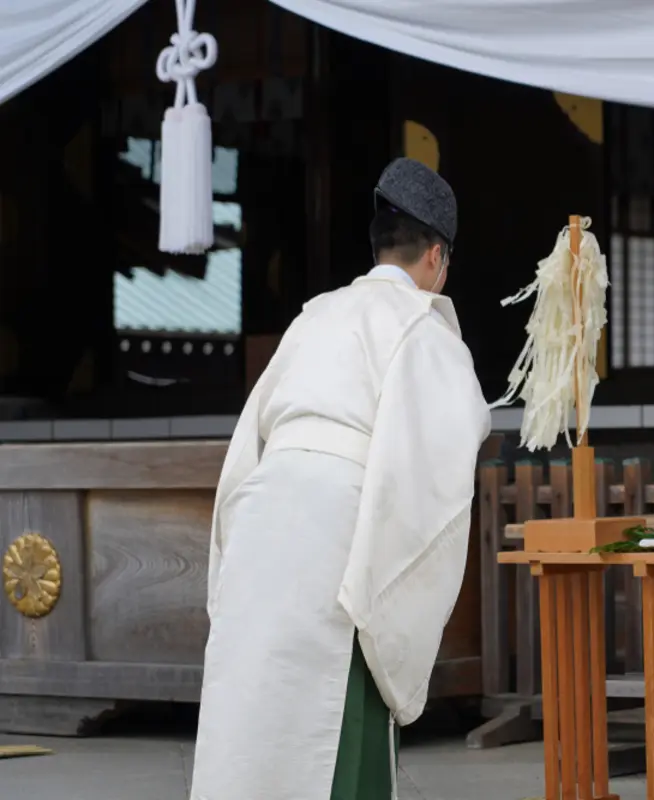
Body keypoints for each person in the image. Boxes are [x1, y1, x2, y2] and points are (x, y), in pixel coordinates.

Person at [189, 158, 491, 800]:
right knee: (336, 707)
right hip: (341, 522)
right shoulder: (422, 327)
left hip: (264, 514)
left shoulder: (315, 315)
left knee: (254, 711)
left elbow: (252, 437)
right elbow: (437, 466)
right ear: (436, 257)